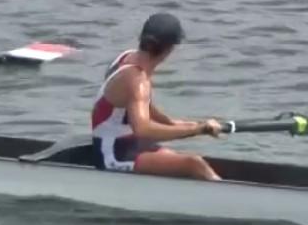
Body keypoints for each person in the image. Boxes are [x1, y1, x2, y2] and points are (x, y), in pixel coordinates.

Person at [91, 13, 222, 180]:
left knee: (177, 158)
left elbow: (142, 107)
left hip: (129, 145)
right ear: (169, 49)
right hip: (113, 155)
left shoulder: (126, 57)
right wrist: (196, 130)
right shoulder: (137, 81)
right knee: (194, 163)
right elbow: (144, 130)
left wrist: (192, 125)